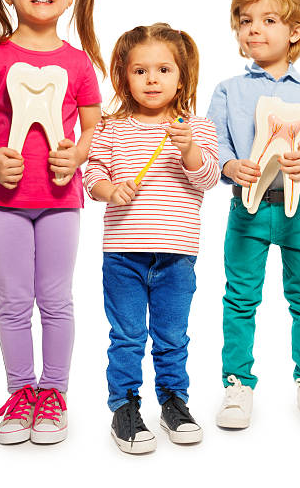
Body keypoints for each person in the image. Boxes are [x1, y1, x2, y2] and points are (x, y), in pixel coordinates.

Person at [0, 0, 105, 444]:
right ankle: (22, 394)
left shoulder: (80, 63)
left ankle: (55, 395)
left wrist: (79, 155)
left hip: (62, 201)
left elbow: (93, 128)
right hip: (5, 202)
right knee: (13, 302)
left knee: (56, 300)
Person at [207, 0, 300, 428]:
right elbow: (215, 141)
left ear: (296, 31)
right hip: (246, 209)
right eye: (245, 21)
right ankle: (237, 385)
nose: (254, 29)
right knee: (240, 297)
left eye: (268, 20)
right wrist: (230, 167)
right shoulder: (228, 89)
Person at [84, 23, 219, 454]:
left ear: (183, 76)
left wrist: (188, 149)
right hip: (123, 253)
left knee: (172, 335)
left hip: (177, 256)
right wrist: (111, 191)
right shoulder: (110, 127)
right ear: (123, 75)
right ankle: (124, 406)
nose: (152, 79)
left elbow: (208, 178)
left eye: (164, 69)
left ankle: (173, 402)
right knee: (126, 335)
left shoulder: (196, 127)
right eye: (140, 71)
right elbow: (93, 175)